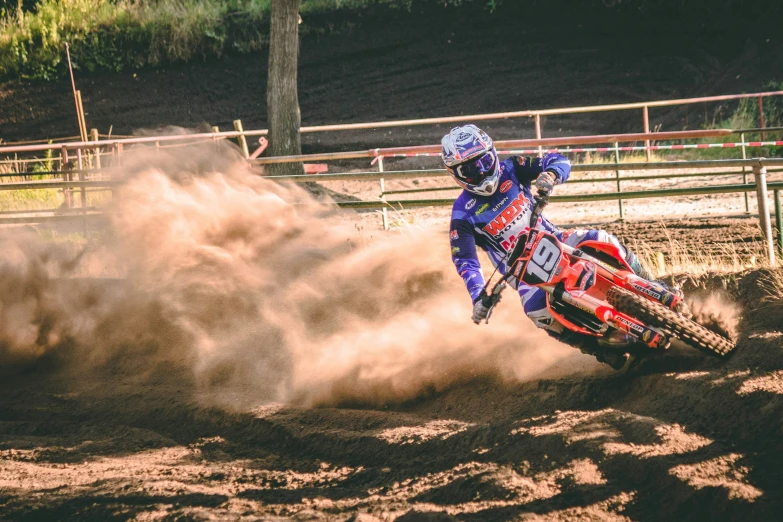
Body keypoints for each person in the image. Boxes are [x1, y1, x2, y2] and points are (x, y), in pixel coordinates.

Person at [443, 124, 666, 369]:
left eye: (485, 162)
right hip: (525, 275)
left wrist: (551, 174)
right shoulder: (462, 214)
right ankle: (595, 348)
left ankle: (653, 284)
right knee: (538, 313)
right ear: (456, 173)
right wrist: (478, 296)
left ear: (493, 154)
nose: (482, 172)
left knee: (603, 238)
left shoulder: (512, 167)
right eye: (471, 169)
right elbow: (465, 261)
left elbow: (557, 159)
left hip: (557, 240)